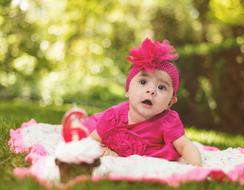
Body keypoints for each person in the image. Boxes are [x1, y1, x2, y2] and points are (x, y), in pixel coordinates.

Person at [62, 38, 202, 166]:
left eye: (161, 87)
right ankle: (76, 119)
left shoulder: (168, 121)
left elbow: (185, 146)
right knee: (82, 131)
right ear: (128, 90)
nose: (151, 90)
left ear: (170, 102)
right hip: (99, 123)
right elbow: (91, 142)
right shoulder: (113, 117)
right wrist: (103, 148)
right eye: (143, 82)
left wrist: (197, 169)